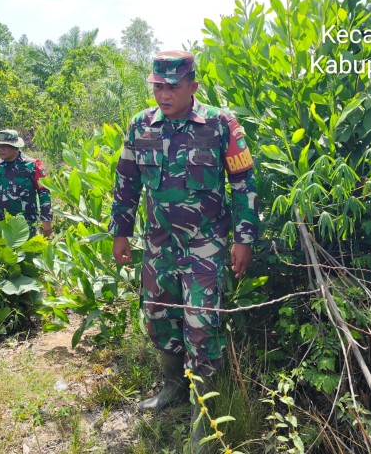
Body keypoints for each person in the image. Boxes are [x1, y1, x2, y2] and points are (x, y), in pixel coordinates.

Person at [109, 50, 259, 448]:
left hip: (205, 245)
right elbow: (126, 183)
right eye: (158, 86)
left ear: (193, 85)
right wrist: (120, 232)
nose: (163, 94)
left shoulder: (221, 124)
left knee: (201, 324)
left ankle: (203, 416)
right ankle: (172, 386)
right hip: (159, 245)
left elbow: (244, 185)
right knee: (158, 316)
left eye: (172, 86)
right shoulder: (140, 126)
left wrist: (243, 239)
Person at [0, 129, 52, 238]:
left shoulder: (32, 166)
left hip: (26, 225)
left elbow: (44, 192)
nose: (0, 149)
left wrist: (46, 220)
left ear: (15, 146)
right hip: (2, 224)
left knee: (27, 254)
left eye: (5, 146)